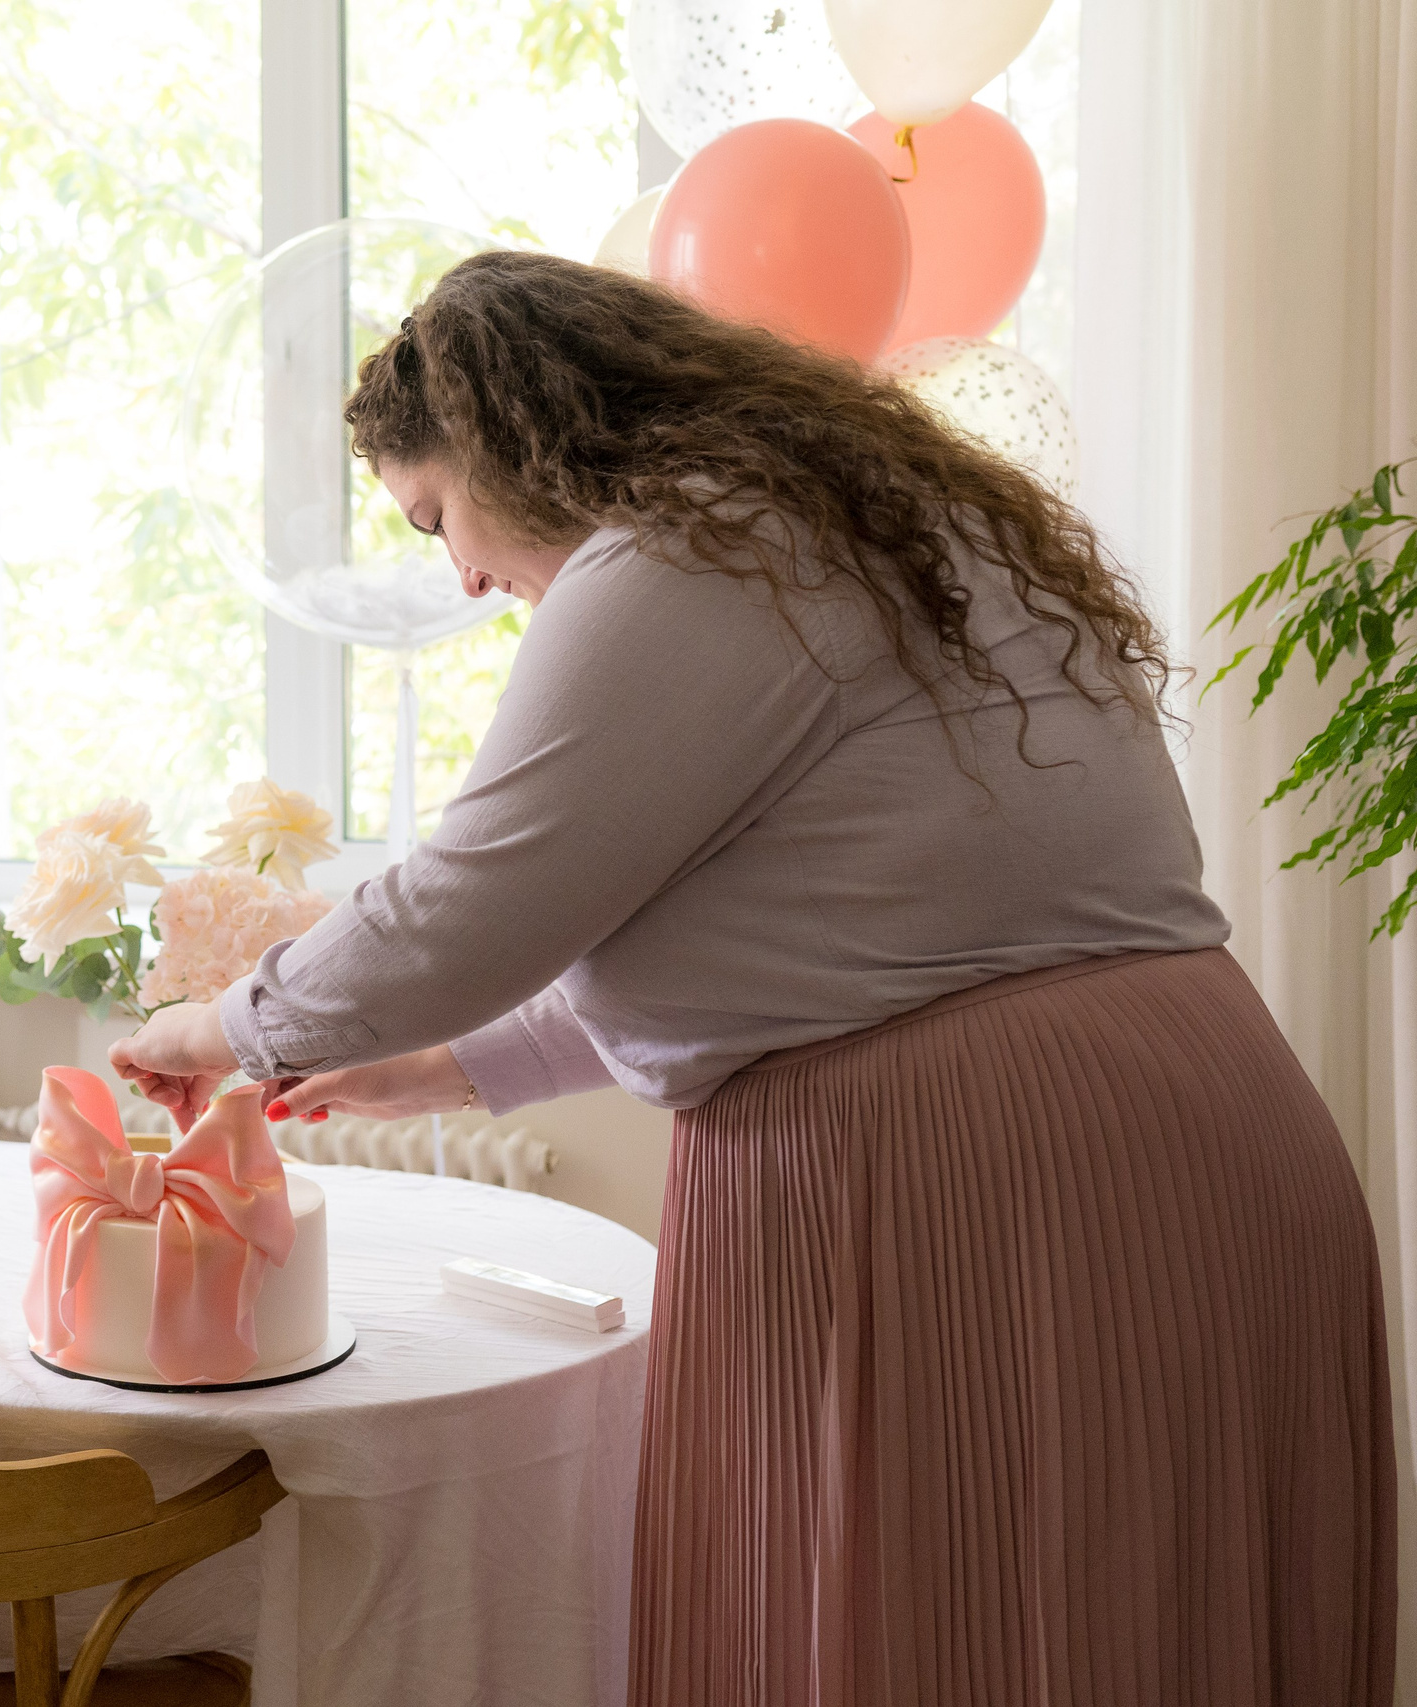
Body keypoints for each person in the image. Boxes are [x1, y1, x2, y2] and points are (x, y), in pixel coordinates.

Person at [112, 250, 1394, 1704]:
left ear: (520, 443)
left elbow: (469, 904)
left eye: (437, 516)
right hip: (1200, 1110)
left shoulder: (683, 557)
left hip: (977, 1171)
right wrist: (449, 1068)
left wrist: (212, 1025)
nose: (459, 573)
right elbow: (815, 911)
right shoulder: (890, 522)